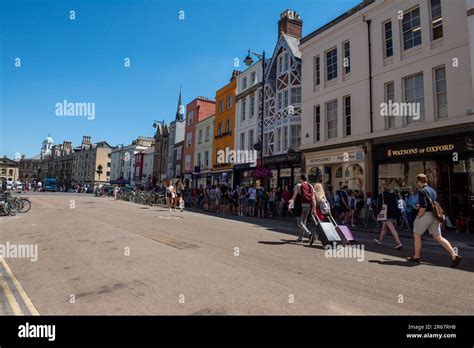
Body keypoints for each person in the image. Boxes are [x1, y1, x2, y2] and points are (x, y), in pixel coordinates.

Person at [407, 174, 462, 267]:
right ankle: (454, 255)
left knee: (417, 235)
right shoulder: (432, 190)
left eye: (417, 182)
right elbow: (433, 203)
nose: (417, 184)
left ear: (419, 181)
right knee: (438, 237)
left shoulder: (422, 191)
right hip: (435, 215)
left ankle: (416, 257)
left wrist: (418, 216)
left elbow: (424, 206)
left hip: (425, 215)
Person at [289, 174, 316, 242]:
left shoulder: (298, 185)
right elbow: (313, 198)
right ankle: (300, 237)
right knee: (304, 222)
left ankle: (309, 234)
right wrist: (313, 208)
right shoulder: (310, 186)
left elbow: (294, 196)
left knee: (299, 222)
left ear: (301, 179)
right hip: (308, 206)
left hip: (301, 206)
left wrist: (290, 204)